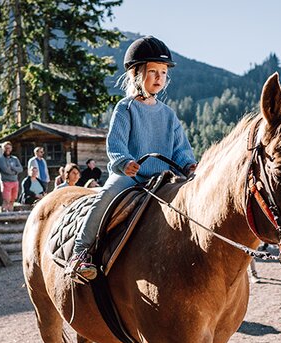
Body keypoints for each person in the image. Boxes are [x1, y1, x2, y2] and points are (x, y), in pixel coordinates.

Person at [66, 36, 196, 282]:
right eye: (153, 71)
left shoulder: (168, 115)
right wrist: (124, 162)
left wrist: (189, 164)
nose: (159, 77)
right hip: (130, 176)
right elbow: (115, 144)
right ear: (137, 74)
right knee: (104, 198)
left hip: (163, 180)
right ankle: (79, 254)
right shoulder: (125, 108)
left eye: (163, 72)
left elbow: (181, 149)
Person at [0, 141, 23, 211]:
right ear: (3, 149)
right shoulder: (1, 159)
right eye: (6, 148)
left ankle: (10, 214)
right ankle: (3, 216)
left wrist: (12, 167)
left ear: (11, 148)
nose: (7, 149)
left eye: (9, 148)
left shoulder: (15, 158)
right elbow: (6, 170)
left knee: (12, 200)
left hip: (15, 181)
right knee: (6, 200)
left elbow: (20, 169)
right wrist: (15, 171)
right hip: (6, 182)